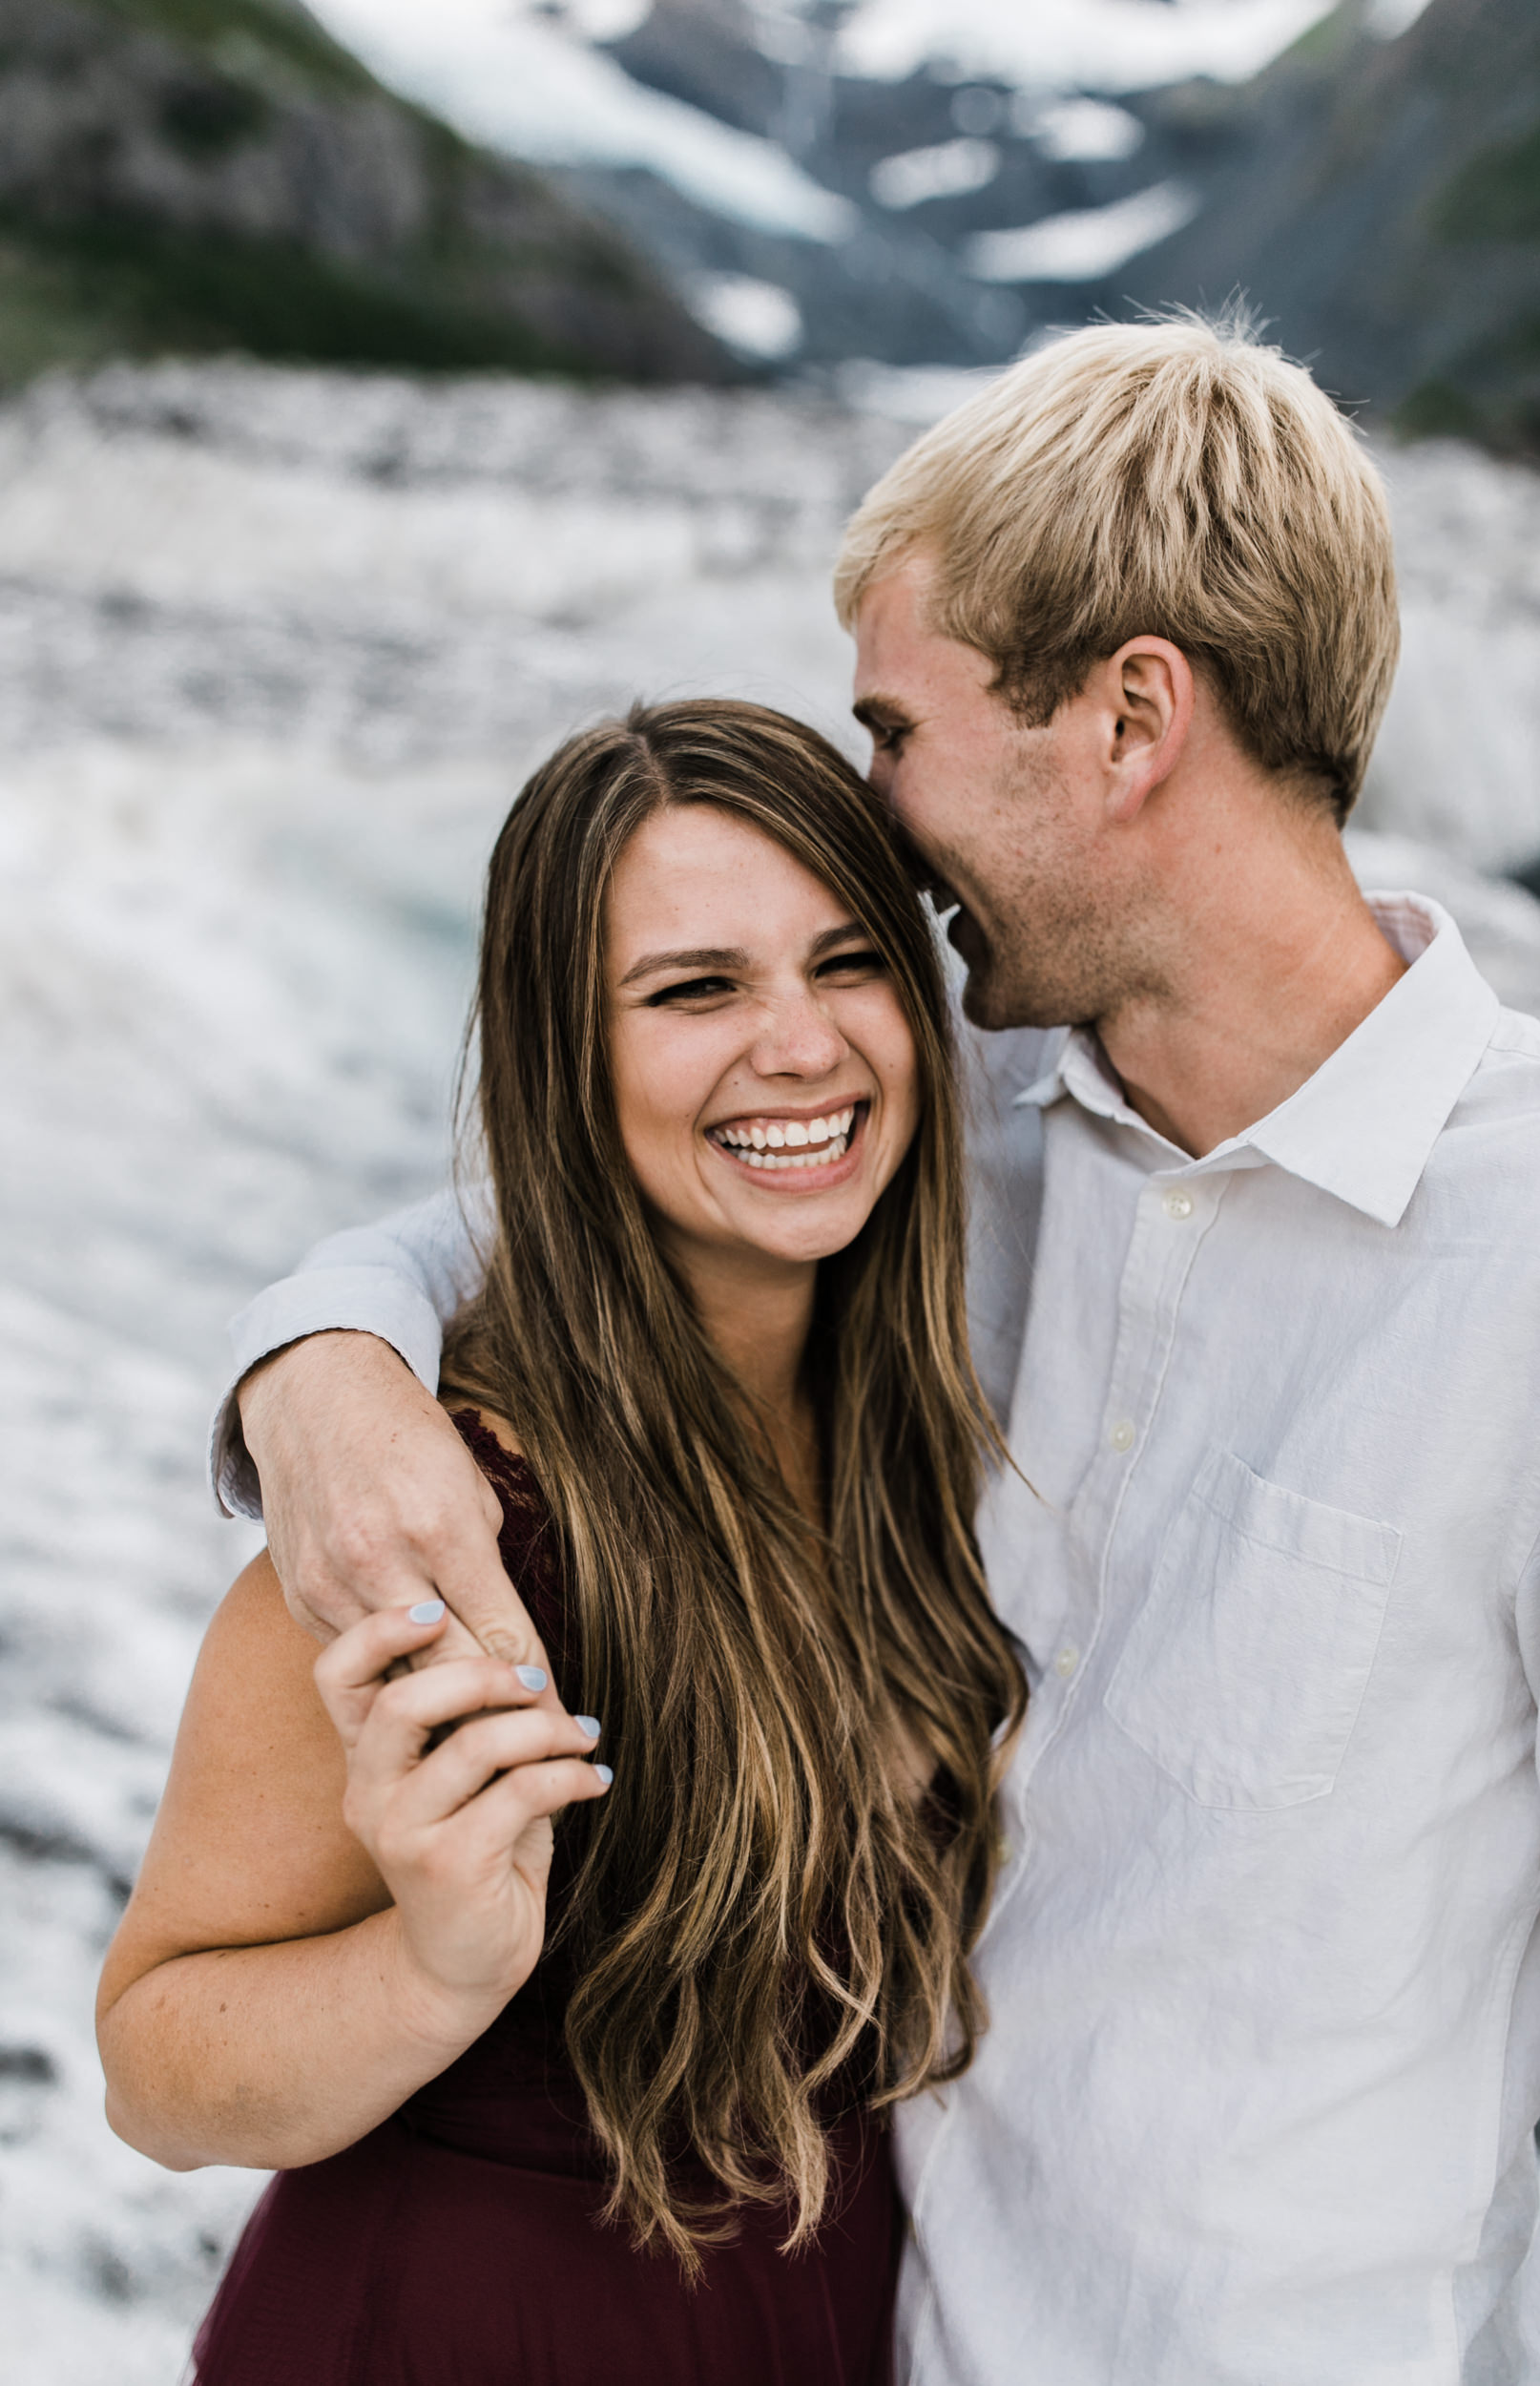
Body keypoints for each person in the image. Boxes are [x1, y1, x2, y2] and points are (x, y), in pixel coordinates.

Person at [206, 317, 1540, 2383]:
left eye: (899, 727)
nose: (871, 810)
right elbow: (573, 1191)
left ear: (1128, 720)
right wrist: (316, 1361)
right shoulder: (968, 1115)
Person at [96, 701, 1027, 2384]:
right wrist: (428, 1972)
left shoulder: (928, 1426)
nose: (804, 1046)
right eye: (695, 989)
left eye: (847, 963)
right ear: (562, 1056)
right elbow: (154, 2067)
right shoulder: (445, 1523)